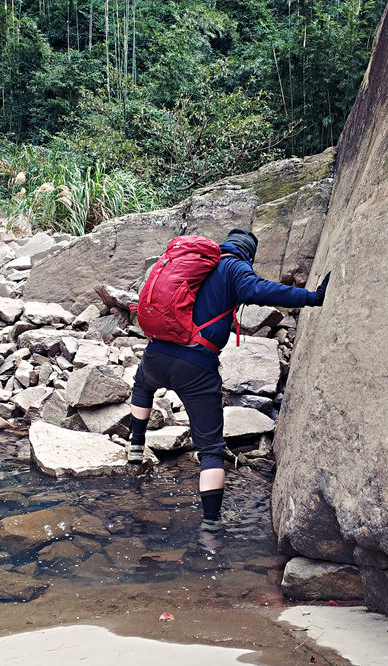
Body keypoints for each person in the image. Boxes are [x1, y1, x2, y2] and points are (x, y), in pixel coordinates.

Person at [127, 228, 330, 551]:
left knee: (142, 385)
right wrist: (311, 298)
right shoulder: (234, 266)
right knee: (210, 449)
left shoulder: (191, 263)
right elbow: (261, 291)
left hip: (156, 354)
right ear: (248, 254)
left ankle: (135, 447)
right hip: (194, 366)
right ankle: (210, 529)